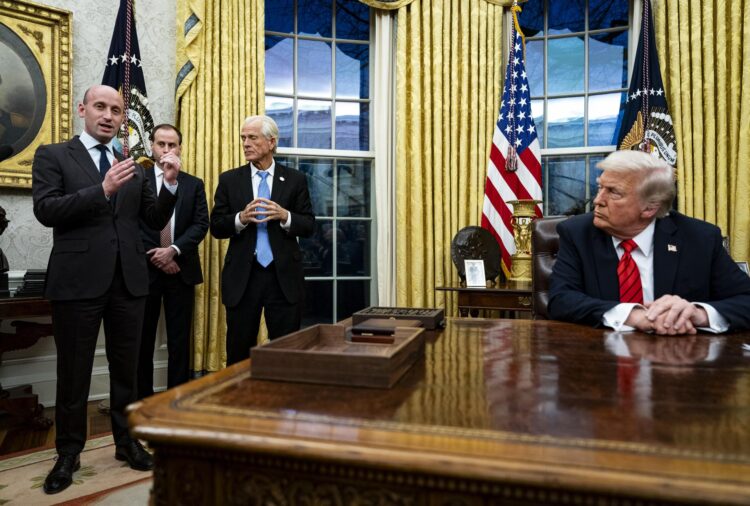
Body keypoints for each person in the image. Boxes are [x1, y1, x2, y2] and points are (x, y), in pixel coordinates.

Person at [31, 85, 178, 494]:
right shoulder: (54, 155)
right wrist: (103, 190)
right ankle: (68, 453)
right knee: (73, 373)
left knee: (127, 371)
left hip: (129, 280)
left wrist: (167, 184)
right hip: (77, 281)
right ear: (83, 110)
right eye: (101, 107)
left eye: (116, 109)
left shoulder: (134, 163)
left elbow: (151, 217)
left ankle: (126, 443)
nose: (109, 115)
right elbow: (46, 210)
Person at [548, 149, 750, 335]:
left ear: (649, 209)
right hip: (601, 361)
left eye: (614, 192)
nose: (598, 200)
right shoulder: (577, 233)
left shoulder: (700, 238)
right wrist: (634, 315)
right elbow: (560, 300)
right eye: (600, 187)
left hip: (680, 363)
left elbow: (745, 300)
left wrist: (697, 314)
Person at [210, 115, 315, 365]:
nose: (245, 143)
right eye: (243, 138)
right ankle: (239, 400)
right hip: (243, 278)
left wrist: (285, 215)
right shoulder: (229, 180)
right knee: (238, 350)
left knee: (286, 350)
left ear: (271, 142)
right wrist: (241, 218)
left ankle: (282, 400)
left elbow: (309, 225)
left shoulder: (295, 179)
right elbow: (216, 226)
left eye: (252, 138)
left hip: (283, 278)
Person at [137, 124, 208, 398]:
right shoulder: (137, 179)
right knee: (143, 339)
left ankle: (176, 399)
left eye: (172, 145)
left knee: (180, 341)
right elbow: (133, 224)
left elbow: (202, 224)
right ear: (152, 146)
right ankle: (142, 398)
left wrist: (174, 250)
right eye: (161, 144)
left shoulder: (193, 183)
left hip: (181, 269)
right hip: (146, 270)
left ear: (180, 147)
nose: (167, 150)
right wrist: (158, 255)